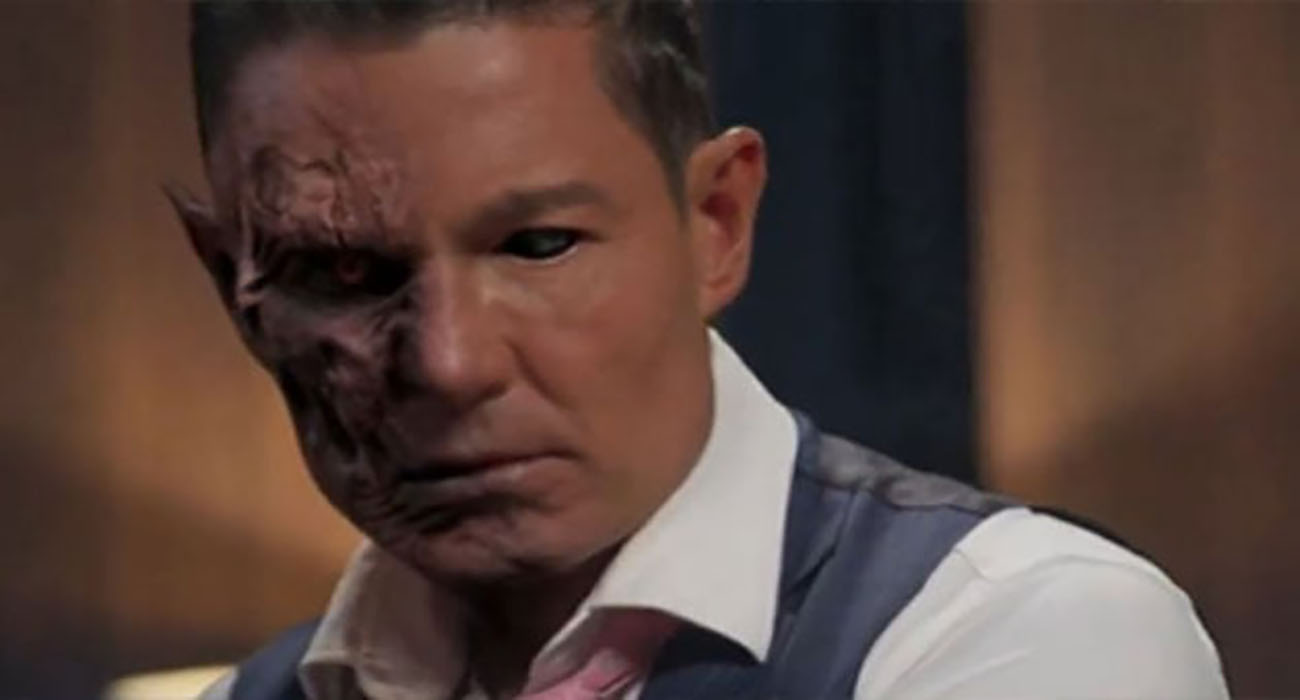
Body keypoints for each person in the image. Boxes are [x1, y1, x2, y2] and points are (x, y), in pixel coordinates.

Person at [170, 1, 1228, 698]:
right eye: (341, 274)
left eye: (539, 245)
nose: (451, 363)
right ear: (234, 288)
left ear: (717, 221)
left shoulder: (1028, 629)